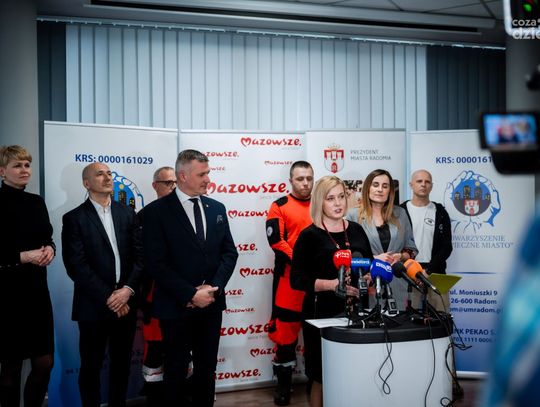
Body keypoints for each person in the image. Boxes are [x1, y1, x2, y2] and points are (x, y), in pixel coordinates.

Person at [142, 149, 238, 406]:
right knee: (175, 370)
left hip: (211, 304)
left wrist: (213, 289)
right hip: (175, 306)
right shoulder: (155, 212)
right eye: (202, 174)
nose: (208, 179)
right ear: (183, 176)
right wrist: (190, 294)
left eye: (208, 172)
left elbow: (229, 253)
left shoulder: (216, 208)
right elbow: (155, 263)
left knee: (206, 369)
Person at [62, 162, 143, 407]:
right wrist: (111, 297)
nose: (108, 178)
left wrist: (127, 291)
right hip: (93, 305)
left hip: (126, 302)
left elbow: (141, 257)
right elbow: (76, 266)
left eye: (109, 173)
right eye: (100, 174)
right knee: (91, 366)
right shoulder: (74, 218)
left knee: (121, 364)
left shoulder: (128, 213)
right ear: (86, 183)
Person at [291, 175, 373, 407]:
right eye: (330, 198)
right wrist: (330, 285)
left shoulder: (356, 230)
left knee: (355, 371)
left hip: (357, 311)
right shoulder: (309, 236)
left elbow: (367, 263)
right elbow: (297, 280)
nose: (338, 203)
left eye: (341, 197)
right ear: (320, 201)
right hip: (321, 314)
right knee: (321, 375)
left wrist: (367, 277)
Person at [0, 145, 55, 407]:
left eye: (27, 165)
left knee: (45, 362)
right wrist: (23, 256)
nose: (24, 170)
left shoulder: (36, 202)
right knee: (10, 368)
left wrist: (50, 249)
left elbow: (47, 237)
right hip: (6, 294)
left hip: (36, 291)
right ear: (2, 171)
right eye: (17, 165)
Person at [265, 161, 314, 406]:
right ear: (291, 180)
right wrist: (301, 261)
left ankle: (316, 384)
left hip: (318, 282)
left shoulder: (322, 203)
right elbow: (277, 242)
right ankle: (283, 386)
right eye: (300, 179)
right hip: (289, 282)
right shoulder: (279, 205)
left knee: (317, 334)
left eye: (309, 178)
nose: (305, 183)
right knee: (285, 337)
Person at [345, 169, 417, 310]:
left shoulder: (401, 214)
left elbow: (411, 249)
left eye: (385, 186)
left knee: (399, 323)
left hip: (397, 285)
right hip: (368, 284)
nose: (380, 190)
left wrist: (400, 256)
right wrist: (374, 259)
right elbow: (349, 253)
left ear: (390, 191)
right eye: (375, 185)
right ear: (368, 188)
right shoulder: (353, 216)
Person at [138, 166, 176, 406]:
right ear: (155, 186)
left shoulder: (188, 213)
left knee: (182, 348)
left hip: (183, 295)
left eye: (175, 183)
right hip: (154, 293)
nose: (173, 187)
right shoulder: (144, 216)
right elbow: (140, 259)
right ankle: (154, 399)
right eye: (168, 183)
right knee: (155, 347)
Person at [400, 169, 452, 312]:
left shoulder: (440, 212)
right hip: (407, 274)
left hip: (436, 273)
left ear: (431, 186)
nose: (423, 184)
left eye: (427, 181)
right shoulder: (399, 211)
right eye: (419, 181)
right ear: (411, 185)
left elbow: (447, 246)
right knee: (408, 319)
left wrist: (428, 270)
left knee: (441, 317)